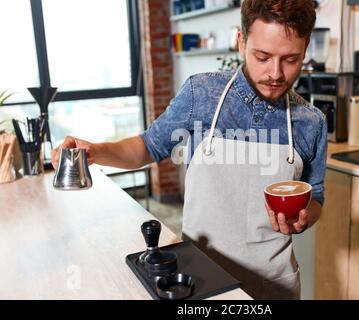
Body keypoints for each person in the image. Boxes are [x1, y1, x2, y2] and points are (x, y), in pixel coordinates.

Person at [52, 0, 326, 300]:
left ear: (305, 50)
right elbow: (148, 147)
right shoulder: (202, 94)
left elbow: (316, 197)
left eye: (290, 59)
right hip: (201, 275)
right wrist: (95, 151)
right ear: (241, 41)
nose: (275, 73)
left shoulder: (311, 122)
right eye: (262, 56)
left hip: (274, 284)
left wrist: (303, 218)